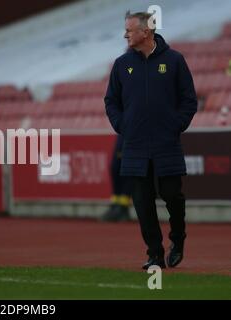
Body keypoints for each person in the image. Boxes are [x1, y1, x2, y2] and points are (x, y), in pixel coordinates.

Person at [104, 11, 197, 269]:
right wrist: (123, 125)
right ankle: (155, 254)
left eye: (130, 30)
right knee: (143, 204)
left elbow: (189, 100)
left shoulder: (175, 60)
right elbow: (111, 100)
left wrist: (175, 125)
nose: (125, 35)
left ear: (146, 32)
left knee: (172, 196)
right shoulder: (121, 64)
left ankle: (177, 239)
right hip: (134, 145)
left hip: (166, 144)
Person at [101, 134, 133, 222]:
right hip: (123, 131)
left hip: (134, 132)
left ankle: (123, 208)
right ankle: (116, 205)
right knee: (115, 168)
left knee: (127, 169)